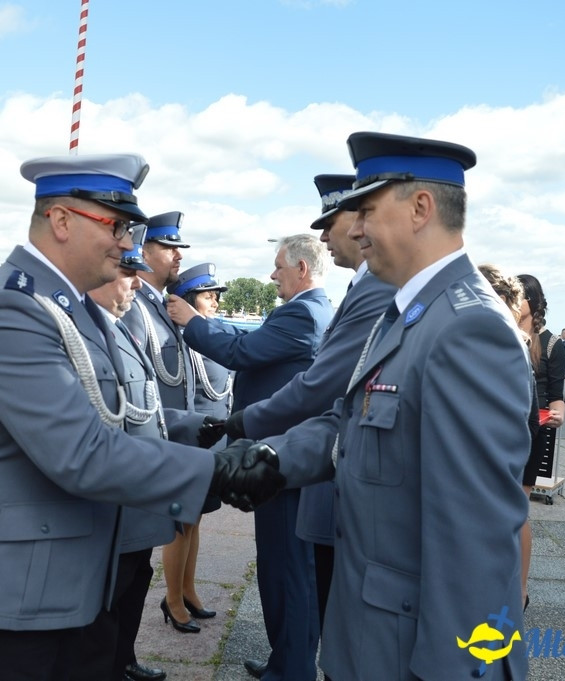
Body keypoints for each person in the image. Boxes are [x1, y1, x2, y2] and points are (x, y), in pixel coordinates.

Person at [0, 153, 280, 681]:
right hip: (17, 593)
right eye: (117, 226)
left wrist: (188, 431)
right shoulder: (12, 309)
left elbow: (118, 415)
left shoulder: (75, 308)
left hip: (78, 578)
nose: (129, 245)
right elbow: (79, 452)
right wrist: (216, 472)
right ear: (62, 221)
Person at [231, 132, 533, 680]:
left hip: (413, 654)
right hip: (368, 635)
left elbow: (474, 541)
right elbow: (352, 422)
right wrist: (271, 459)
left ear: (420, 208)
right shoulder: (410, 310)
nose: (356, 228)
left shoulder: (469, 328)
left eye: (367, 210)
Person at [221, 174, 396, 681]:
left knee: (299, 578)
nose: (325, 238)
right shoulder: (364, 289)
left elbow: (324, 389)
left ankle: (293, 667)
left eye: (334, 222)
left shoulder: (375, 291)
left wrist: (243, 430)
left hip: (338, 475)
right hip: (314, 453)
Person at [168, 233, 333, 681]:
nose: (273, 274)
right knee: (286, 567)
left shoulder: (303, 313)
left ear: (302, 269)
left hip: (281, 458)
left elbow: (244, 350)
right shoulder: (314, 310)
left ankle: (292, 667)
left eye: (279, 266)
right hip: (287, 452)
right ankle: (286, 658)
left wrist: (191, 321)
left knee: (286, 569)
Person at [84, 230, 204, 681]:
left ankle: (122, 661)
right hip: (124, 483)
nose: (136, 282)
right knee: (114, 591)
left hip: (145, 473)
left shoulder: (128, 317)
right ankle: (114, 663)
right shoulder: (101, 327)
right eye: (127, 271)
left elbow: (150, 397)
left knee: (134, 579)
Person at [157, 262, 230, 642]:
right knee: (181, 525)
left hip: (210, 445)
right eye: (208, 294)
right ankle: (172, 599)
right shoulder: (178, 341)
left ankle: (188, 589)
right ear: (187, 300)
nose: (216, 300)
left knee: (196, 522)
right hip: (188, 444)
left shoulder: (210, 335)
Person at [516, 273, 565, 613]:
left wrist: (558, 412)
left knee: (517, 511)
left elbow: (558, 397)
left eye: (516, 295)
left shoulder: (550, 343)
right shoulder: (499, 331)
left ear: (531, 301)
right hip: (496, 430)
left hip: (532, 431)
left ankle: (519, 591)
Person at [122, 211, 194, 412]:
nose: (179, 255)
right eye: (170, 248)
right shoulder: (133, 306)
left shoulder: (164, 305)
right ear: (143, 253)